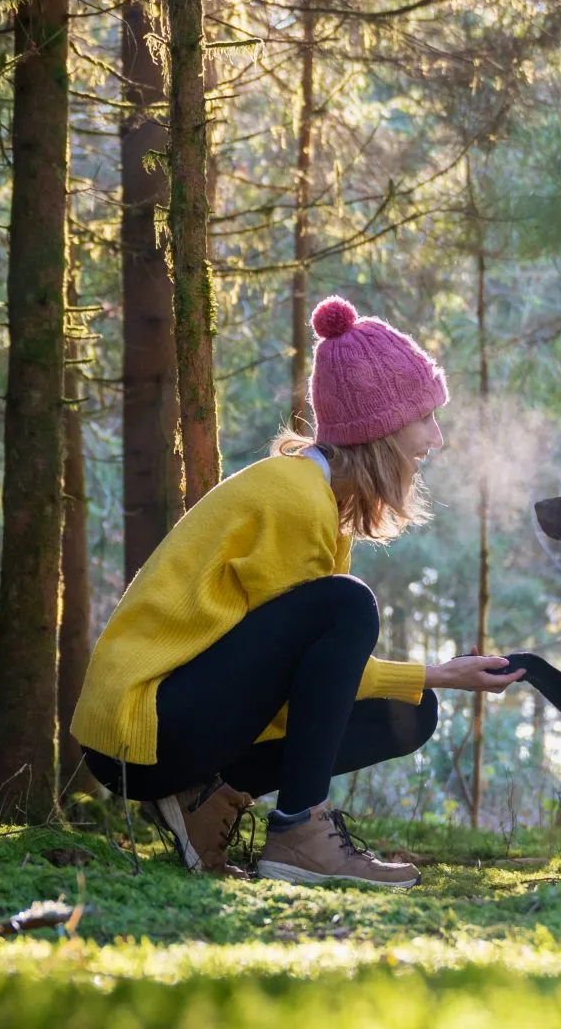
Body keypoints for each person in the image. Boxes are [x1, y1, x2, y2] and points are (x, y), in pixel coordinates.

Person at [71, 297, 522, 889]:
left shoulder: (318, 498)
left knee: (410, 712)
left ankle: (203, 800)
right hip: (140, 730)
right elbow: (302, 668)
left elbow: (303, 681)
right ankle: (299, 833)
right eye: (424, 417)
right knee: (347, 604)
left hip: (172, 726)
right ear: (381, 428)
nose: (435, 438)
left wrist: (432, 680)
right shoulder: (296, 497)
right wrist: (438, 672)